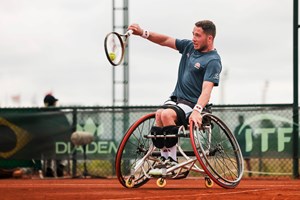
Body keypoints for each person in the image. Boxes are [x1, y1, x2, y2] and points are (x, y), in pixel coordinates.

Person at [128, 20, 222, 174]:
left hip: (192, 105)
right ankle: (164, 159)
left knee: (165, 114)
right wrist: (143, 33)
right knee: (159, 114)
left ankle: (170, 161)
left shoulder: (213, 60)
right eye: (193, 34)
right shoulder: (189, 47)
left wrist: (198, 110)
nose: (193, 38)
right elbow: (165, 40)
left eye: (197, 35)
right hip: (176, 100)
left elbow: (207, 90)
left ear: (209, 38)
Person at [43, 94, 66, 177]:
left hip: (46, 140)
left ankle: (50, 168)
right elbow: (67, 125)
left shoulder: (42, 112)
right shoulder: (58, 112)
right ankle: (60, 166)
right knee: (64, 148)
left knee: (51, 151)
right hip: (56, 139)